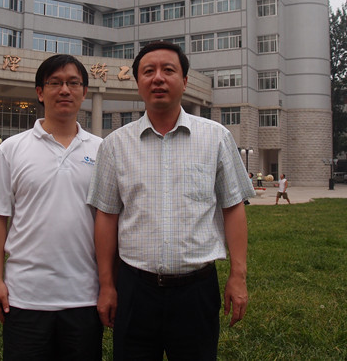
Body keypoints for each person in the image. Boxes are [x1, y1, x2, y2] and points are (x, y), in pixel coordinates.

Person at [87, 41, 255, 361]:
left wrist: (238, 275)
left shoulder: (216, 137)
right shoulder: (115, 145)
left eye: (168, 70)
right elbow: (106, 216)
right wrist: (107, 284)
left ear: (185, 81)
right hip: (135, 290)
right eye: (148, 71)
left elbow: (233, 207)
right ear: (138, 83)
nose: (158, 78)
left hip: (196, 291)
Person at [0, 54, 103, 360]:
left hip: (84, 297)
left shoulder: (102, 150)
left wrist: (109, 285)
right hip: (24, 297)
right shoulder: (12, 149)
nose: (64, 90)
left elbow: (108, 222)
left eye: (73, 83)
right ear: (40, 92)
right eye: (55, 83)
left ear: (84, 92)